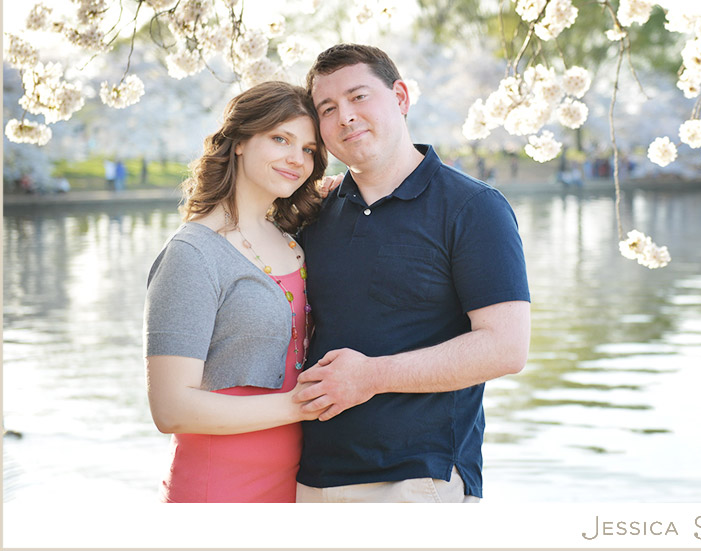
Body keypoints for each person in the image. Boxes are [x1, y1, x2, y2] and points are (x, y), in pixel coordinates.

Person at [293, 43, 531, 503]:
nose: (345, 116)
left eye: (359, 96)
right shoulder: (314, 212)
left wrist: (371, 376)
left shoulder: (472, 207)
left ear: (400, 97)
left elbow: (506, 348)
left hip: (417, 480)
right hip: (313, 478)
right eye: (328, 108)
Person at [143, 81, 328, 503]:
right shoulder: (192, 254)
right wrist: (299, 405)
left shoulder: (294, 243)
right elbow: (170, 408)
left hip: (301, 484)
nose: (296, 159)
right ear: (240, 141)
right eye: (280, 139)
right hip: (219, 488)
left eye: (308, 149)